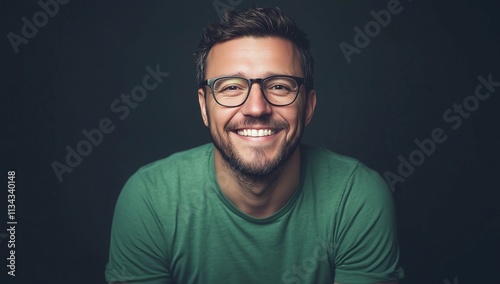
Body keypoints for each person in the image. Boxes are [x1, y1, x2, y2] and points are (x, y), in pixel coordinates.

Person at [105, 6, 404, 284]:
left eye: (279, 86)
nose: (256, 108)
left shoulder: (357, 198)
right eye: (232, 87)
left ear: (309, 106)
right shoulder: (150, 201)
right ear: (204, 107)